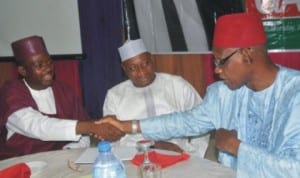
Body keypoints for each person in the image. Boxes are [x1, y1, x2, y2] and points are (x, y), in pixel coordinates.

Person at [97, 13, 300, 178]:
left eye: (221, 61)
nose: (217, 71)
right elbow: (185, 121)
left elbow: (295, 169)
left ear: (246, 54)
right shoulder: (223, 94)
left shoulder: (295, 95)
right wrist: (128, 126)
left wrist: (236, 147)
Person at [0, 36, 124, 160]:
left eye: (49, 62)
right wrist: (91, 126)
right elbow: (38, 126)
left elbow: (84, 136)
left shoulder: (64, 91)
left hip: (59, 160)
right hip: (19, 163)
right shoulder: (11, 92)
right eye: (39, 65)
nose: (48, 69)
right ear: (23, 71)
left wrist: (69, 150)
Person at [103, 39, 209, 157]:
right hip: (133, 156)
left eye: (145, 64)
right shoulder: (114, 95)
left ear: (151, 59)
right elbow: (111, 137)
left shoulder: (177, 85)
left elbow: (202, 121)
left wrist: (194, 155)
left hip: (177, 154)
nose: (142, 73)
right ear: (124, 68)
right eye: (133, 68)